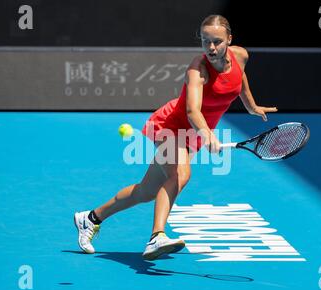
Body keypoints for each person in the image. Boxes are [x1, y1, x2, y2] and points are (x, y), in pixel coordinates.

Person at [74, 14, 278, 260]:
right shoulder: (198, 70)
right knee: (180, 174)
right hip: (172, 125)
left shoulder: (240, 55)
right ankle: (156, 237)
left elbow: (239, 78)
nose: (211, 48)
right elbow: (192, 111)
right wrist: (208, 134)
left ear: (229, 40)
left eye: (217, 41)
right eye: (205, 41)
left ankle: (90, 218)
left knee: (146, 192)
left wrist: (252, 106)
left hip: (194, 135)